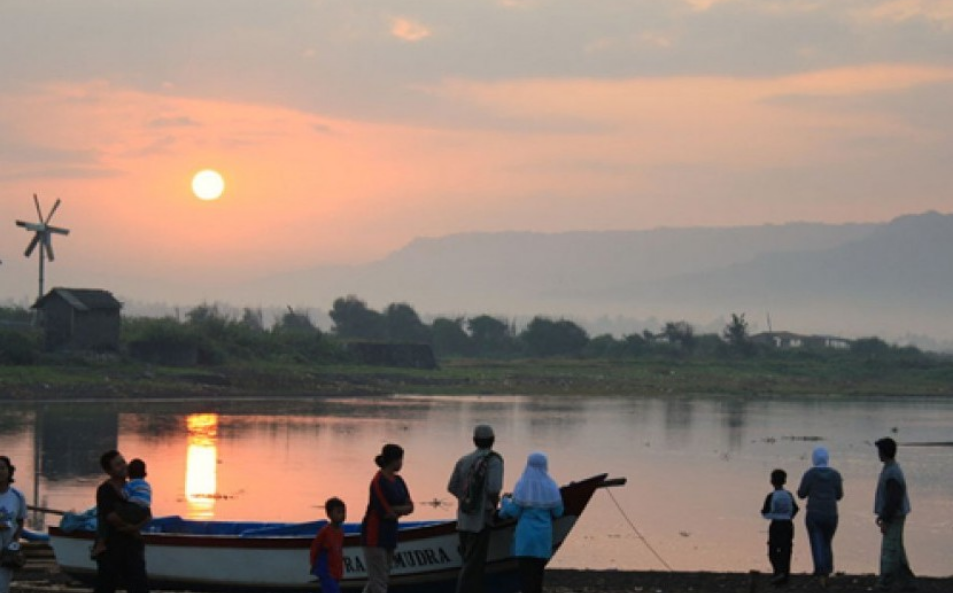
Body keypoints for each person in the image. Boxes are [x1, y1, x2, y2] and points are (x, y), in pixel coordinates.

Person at [447, 424, 504, 593]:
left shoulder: (464, 460)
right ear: (493, 441)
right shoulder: (494, 460)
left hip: (463, 521)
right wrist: (491, 505)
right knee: (474, 565)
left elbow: (452, 487)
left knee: (468, 560)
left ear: (474, 441)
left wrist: (466, 500)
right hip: (481, 521)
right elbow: (494, 488)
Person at [498, 452, 563, 593]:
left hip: (525, 537)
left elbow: (514, 511)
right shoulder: (551, 486)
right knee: (538, 575)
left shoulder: (522, 485)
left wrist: (504, 501)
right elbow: (558, 512)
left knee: (525, 576)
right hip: (543, 537)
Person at [94, 450, 151, 593]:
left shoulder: (133, 486)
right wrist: (129, 528)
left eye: (123, 462)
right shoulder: (105, 490)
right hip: (111, 546)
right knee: (106, 586)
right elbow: (110, 516)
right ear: (109, 471)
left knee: (139, 586)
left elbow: (146, 512)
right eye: (118, 465)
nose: (123, 466)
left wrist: (135, 528)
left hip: (131, 545)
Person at [360, 444, 413, 593]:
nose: (402, 463)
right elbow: (386, 512)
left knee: (379, 578)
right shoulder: (378, 482)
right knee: (379, 581)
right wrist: (399, 509)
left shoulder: (399, 481)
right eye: (400, 459)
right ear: (394, 460)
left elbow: (410, 506)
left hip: (390, 535)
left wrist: (396, 509)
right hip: (374, 536)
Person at [873, 437, 916, 592]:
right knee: (897, 549)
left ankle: (885, 582)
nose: (878, 454)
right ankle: (908, 582)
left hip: (894, 516)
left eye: (879, 451)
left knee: (890, 549)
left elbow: (893, 499)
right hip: (896, 514)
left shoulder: (892, 472)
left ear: (884, 453)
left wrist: (885, 518)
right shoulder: (891, 469)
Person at [797, 446, 843, 587]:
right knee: (827, 542)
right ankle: (827, 569)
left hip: (814, 513)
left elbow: (801, 493)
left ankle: (820, 571)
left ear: (814, 459)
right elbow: (839, 495)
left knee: (816, 541)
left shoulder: (810, 474)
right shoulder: (835, 475)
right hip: (831, 514)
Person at [761, 468, 798, 586]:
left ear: (772, 481)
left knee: (773, 550)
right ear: (785, 481)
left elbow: (765, 512)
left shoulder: (771, 496)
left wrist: (771, 515)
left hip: (776, 524)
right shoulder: (789, 495)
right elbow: (795, 508)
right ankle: (785, 574)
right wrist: (789, 516)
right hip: (788, 524)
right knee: (786, 549)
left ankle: (778, 571)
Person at [0, 457, 27, 593]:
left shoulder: (17, 496)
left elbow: (21, 520)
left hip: (7, 549)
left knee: (3, 586)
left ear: (9, 471)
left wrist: (15, 541)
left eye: (2, 468)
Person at [311, 497, 346, 593]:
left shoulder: (341, 532)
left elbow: (338, 551)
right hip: (326, 570)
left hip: (336, 571)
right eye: (338, 512)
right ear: (329, 514)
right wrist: (315, 565)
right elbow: (315, 548)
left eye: (343, 512)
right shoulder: (325, 532)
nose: (342, 515)